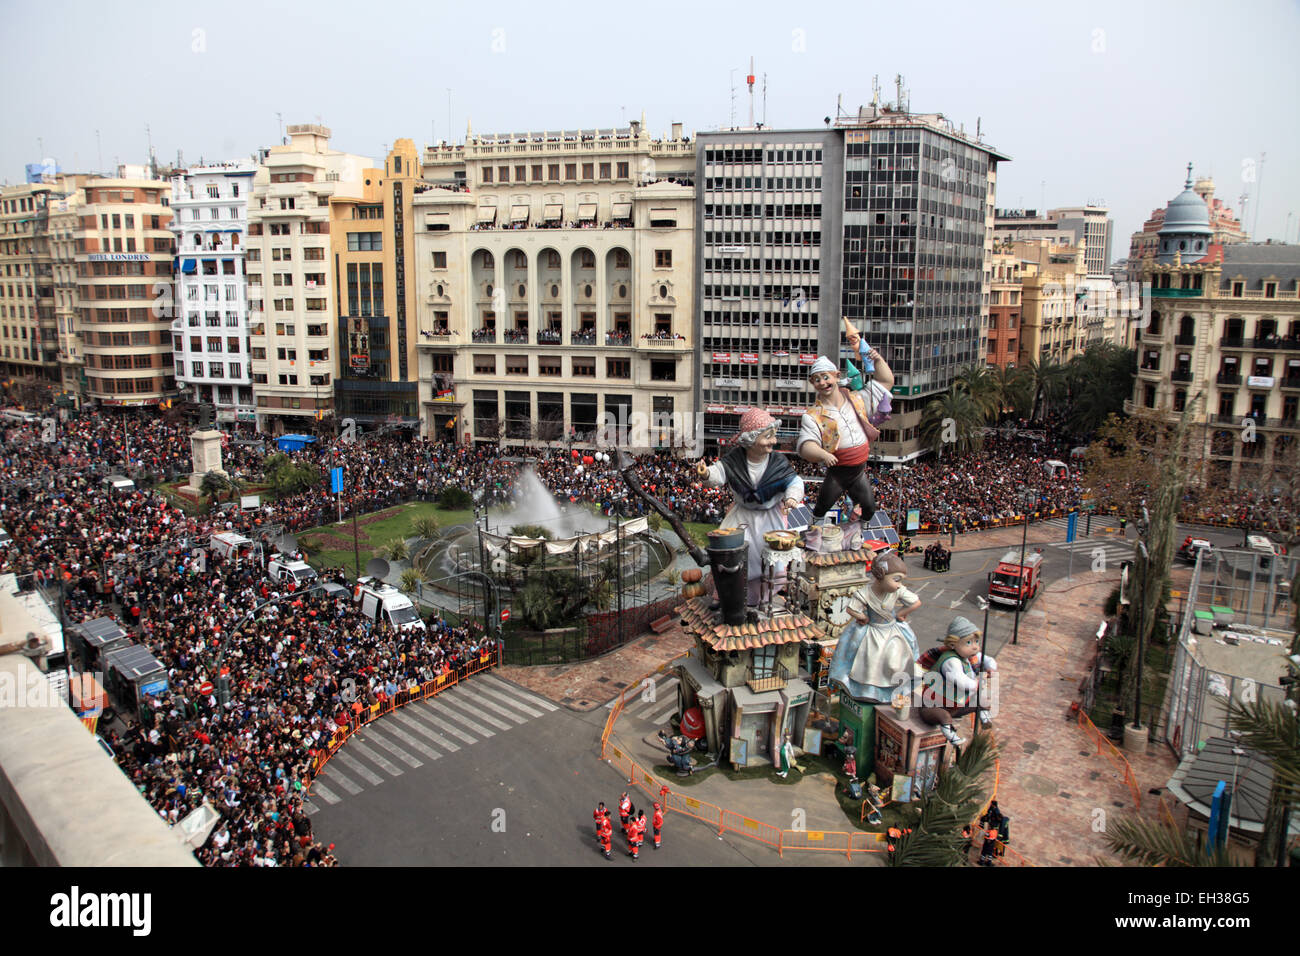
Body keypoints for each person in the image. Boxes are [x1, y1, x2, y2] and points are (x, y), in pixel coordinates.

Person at [797, 323, 894, 536]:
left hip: (859, 470)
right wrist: (822, 453)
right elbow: (806, 446)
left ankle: (856, 534)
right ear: (813, 384)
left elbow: (886, 381)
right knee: (821, 507)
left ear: (836, 375)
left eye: (826, 377)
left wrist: (876, 360)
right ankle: (813, 537)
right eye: (817, 379)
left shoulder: (856, 399)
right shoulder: (813, 415)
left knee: (869, 507)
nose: (823, 383)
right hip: (838, 471)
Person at [697, 408, 804, 586]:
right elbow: (719, 472)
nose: (774, 441)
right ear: (752, 439)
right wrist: (707, 473)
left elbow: (794, 481)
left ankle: (764, 596)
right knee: (730, 553)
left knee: (765, 559)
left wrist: (792, 497)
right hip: (742, 516)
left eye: (774, 436)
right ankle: (727, 592)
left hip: (769, 517)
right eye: (768, 437)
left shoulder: (778, 462)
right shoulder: (734, 459)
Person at [828, 550, 921, 703]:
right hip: (872, 631)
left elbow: (916, 602)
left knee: (894, 660)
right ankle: (869, 692)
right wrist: (862, 616)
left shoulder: (897, 591)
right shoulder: (865, 593)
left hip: (891, 631)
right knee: (868, 663)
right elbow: (851, 609)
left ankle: (892, 690)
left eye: (901, 581)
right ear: (880, 576)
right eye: (896, 580)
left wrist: (901, 614)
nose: (899, 585)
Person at [919, 616, 998, 747]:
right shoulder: (950, 661)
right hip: (934, 705)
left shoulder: (968, 656)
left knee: (983, 700)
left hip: (955, 704)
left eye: (976, 642)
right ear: (953, 644)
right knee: (944, 717)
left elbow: (988, 659)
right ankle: (952, 737)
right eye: (969, 643)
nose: (975, 647)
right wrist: (978, 682)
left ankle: (985, 718)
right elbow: (961, 681)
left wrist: (991, 668)